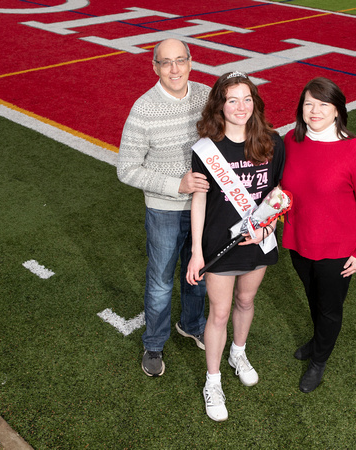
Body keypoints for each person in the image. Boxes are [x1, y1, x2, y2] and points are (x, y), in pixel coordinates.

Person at [186, 72, 285, 421]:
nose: (240, 107)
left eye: (247, 99)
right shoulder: (206, 148)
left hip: (258, 241)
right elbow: (199, 200)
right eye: (232, 100)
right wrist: (197, 251)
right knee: (220, 312)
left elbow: (278, 195)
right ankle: (212, 381)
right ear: (220, 105)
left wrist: (267, 224)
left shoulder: (273, 142)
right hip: (219, 243)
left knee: (246, 300)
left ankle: (238, 353)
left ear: (255, 103)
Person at [117, 38, 211, 378]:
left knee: (196, 273)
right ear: (155, 67)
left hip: (205, 207)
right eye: (166, 62)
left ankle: (192, 324)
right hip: (164, 211)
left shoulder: (206, 96)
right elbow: (126, 168)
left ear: (191, 62)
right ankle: (154, 344)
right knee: (160, 281)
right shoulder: (143, 109)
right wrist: (177, 186)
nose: (174, 69)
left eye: (180, 60)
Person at [282, 77, 356, 393]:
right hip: (299, 243)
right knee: (314, 299)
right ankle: (317, 340)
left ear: (337, 110)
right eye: (309, 103)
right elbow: (281, 190)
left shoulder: (354, 148)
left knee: (329, 308)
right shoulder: (290, 141)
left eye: (323, 104)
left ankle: (319, 360)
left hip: (338, 250)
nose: (315, 110)